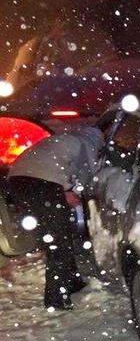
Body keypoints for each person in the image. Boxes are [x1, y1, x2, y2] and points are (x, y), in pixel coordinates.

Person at [7, 125, 103, 310]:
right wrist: (71, 191)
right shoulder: (86, 143)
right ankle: (56, 298)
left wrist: (65, 189)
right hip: (42, 185)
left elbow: (59, 167)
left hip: (17, 182)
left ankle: (72, 281)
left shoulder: (64, 140)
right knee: (59, 242)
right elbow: (87, 175)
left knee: (57, 235)